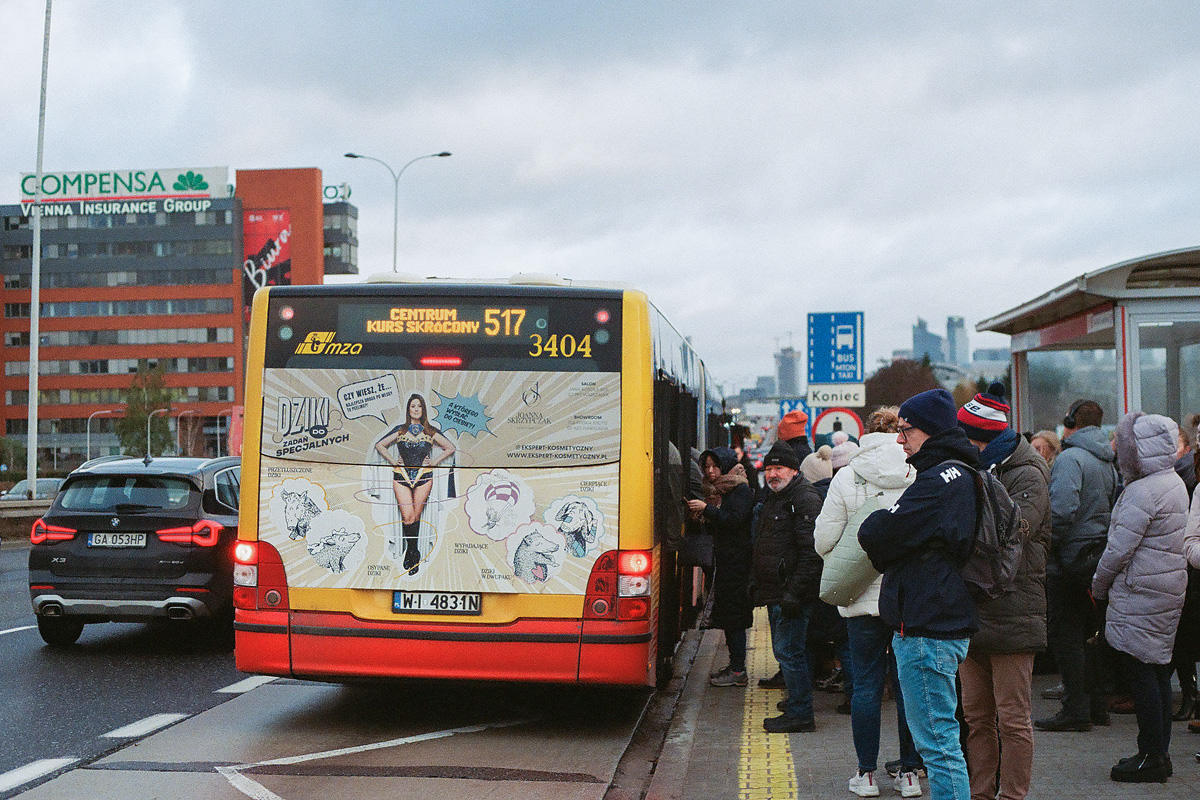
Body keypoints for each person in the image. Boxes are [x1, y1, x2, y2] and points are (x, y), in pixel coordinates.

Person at [859, 388, 979, 800]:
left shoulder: (937, 481)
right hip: (940, 619)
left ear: (928, 431)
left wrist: (887, 525)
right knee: (942, 742)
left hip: (927, 626)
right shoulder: (960, 472)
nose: (899, 439)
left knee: (938, 747)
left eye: (905, 430)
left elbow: (875, 532)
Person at [814, 406, 921, 798]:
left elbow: (824, 541)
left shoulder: (847, 475)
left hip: (860, 599)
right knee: (909, 686)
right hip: (907, 597)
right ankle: (910, 774)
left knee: (866, 686)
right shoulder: (917, 473)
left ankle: (867, 775)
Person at [955, 384, 1050, 800]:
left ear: (985, 438)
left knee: (1013, 719)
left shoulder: (1027, 473)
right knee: (976, 718)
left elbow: (1012, 534)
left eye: (967, 436)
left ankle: (1012, 795)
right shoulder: (976, 470)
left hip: (1013, 610)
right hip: (973, 611)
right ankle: (980, 794)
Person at [1092, 412, 1188, 783]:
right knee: (1157, 669)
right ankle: (1156, 752)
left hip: (1140, 592)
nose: (1118, 451)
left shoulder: (1141, 490)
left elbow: (1118, 550)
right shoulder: (1172, 482)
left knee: (1142, 671)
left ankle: (1151, 755)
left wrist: (1098, 586)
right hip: (1164, 590)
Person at [1035, 399, 1119, 732]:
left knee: (1066, 636)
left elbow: (1062, 511)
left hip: (1068, 560)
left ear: (1071, 421)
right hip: (1096, 557)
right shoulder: (1108, 461)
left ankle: (1075, 709)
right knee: (1091, 636)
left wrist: (1046, 545)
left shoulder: (1070, 459)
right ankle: (1097, 705)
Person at [749, 440, 824, 733]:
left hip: (792, 593)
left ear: (793, 470)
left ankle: (802, 713)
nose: (772, 474)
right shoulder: (777, 497)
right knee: (789, 651)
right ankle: (797, 701)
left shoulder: (804, 498)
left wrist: (794, 593)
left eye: (778, 468)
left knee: (789, 652)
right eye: (768, 469)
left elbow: (811, 552)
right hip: (778, 591)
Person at [687, 447, 755, 687]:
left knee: (734, 618)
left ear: (725, 466)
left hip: (737, 564)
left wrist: (708, 510)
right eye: (706, 467)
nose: (710, 471)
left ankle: (738, 671)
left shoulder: (740, 489)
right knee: (727, 617)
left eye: (715, 466)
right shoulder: (716, 491)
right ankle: (735, 666)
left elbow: (734, 521)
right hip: (724, 562)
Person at [375, 393, 455, 575]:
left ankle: (412, 553)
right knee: (408, 518)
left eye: (419, 406)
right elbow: (380, 445)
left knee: (416, 517)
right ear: (408, 409)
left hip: (424, 477)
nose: (416, 409)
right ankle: (413, 551)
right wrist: (393, 461)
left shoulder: (431, 431)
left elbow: (450, 448)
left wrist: (434, 462)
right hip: (401, 476)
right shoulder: (400, 430)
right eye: (413, 406)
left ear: (423, 409)